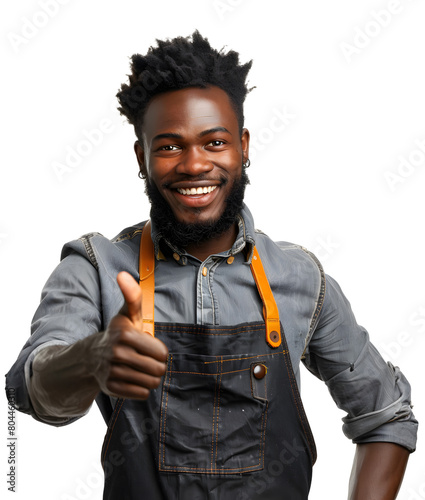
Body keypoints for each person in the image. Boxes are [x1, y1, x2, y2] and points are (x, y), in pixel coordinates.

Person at [6, 31, 417, 499]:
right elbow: (30, 391)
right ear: (142, 157)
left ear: (242, 147)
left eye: (215, 142)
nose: (194, 164)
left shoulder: (302, 279)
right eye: (168, 147)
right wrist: (90, 358)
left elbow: (386, 415)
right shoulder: (96, 267)